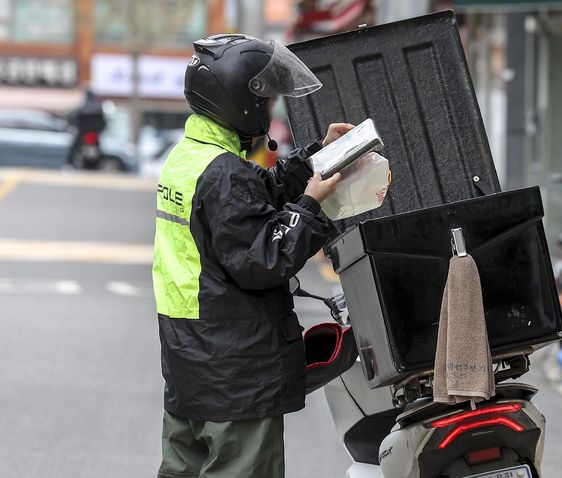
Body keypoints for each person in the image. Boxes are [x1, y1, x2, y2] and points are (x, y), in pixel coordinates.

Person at [152, 34, 353, 478]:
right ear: (240, 99)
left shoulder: (190, 158)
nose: (270, 110)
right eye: (265, 99)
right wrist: (311, 206)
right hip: (235, 378)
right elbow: (264, 260)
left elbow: (245, 208)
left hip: (192, 366)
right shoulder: (225, 173)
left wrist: (316, 157)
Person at [67, 88, 106, 168]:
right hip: (94, 133)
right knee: (98, 148)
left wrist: (75, 126)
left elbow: (72, 118)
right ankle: (98, 164)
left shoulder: (82, 107)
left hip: (83, 133)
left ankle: (69, 163)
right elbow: (103, 122)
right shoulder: (99, 107)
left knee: (74, 148)